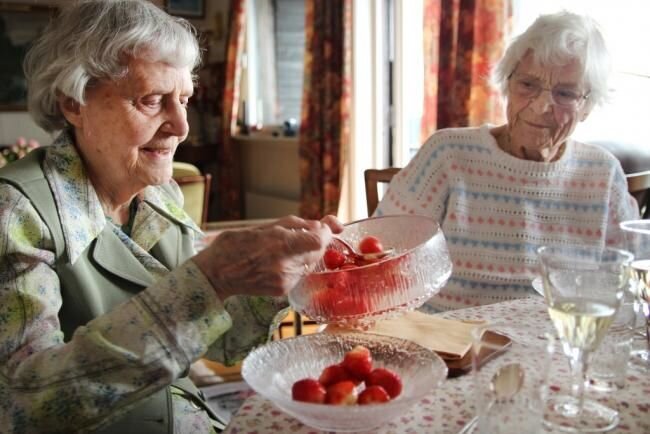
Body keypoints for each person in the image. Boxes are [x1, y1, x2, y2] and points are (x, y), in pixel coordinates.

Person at [0, 1, 343, 433]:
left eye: (183, 99)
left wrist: (281, 278)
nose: (181, 125)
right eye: (152, 100)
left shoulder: (159, 195)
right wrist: (212, 278)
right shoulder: (14, 213)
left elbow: (221, 340)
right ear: (74, 103)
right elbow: (28, 407)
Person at [375, 11, 639, 312]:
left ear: (587, 106)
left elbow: (631, 283)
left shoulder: (603, 175)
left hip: (560, 347)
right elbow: (381, 256)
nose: (541, 107)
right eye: (528, 85)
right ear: (507, 83)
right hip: (454, 346)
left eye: (565, 93)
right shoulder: (448, 154)